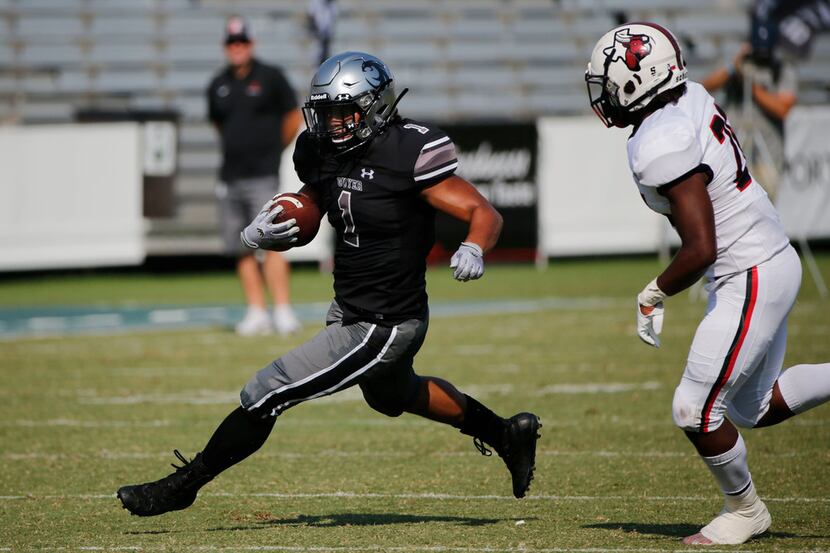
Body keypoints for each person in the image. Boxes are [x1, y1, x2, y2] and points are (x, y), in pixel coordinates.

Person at [116, 51, 542, 518]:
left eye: (344, 111)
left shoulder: (408, 151)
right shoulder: (319, 149)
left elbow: (485, 212)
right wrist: (269, 228)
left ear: (376, 106)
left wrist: (475, 246)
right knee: (392, 395)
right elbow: (315, 203)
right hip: (350, 307)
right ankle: (505, 433)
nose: (333, 124)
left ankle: (183, 485)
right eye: (326, 112)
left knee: (266, 391)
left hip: (384, 322)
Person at [585, 23, 830, 545]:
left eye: (610, 82)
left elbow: (700, 248)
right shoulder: (689, 96)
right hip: (767, 258)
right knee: (751, 407)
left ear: (639, 81)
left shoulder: (659, 139)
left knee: (693, 409)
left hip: (749, 268)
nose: (604, 94)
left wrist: (654, 291)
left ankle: (745, 510)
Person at [207, 15, 303, 336]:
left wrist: (275, 148)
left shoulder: (271, 77)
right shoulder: (217, 84)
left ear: (252, 44)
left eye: (242, 42)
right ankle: (256, 311)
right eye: (232, 42)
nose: (237, 47)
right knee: (241, 246)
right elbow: (219, 126)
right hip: (230, 175)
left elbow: (292, 117)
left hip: (263, 174)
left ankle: (283, 310)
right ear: (225, 46)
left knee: (272, 243)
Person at [700, 5, 798, 197]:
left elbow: (783, 109)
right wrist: (732, 68)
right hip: (734, 152)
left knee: (766, 207)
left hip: (768, 152)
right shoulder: (737, 63)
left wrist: (751, 85)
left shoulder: (783, 69)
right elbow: (705, 86)